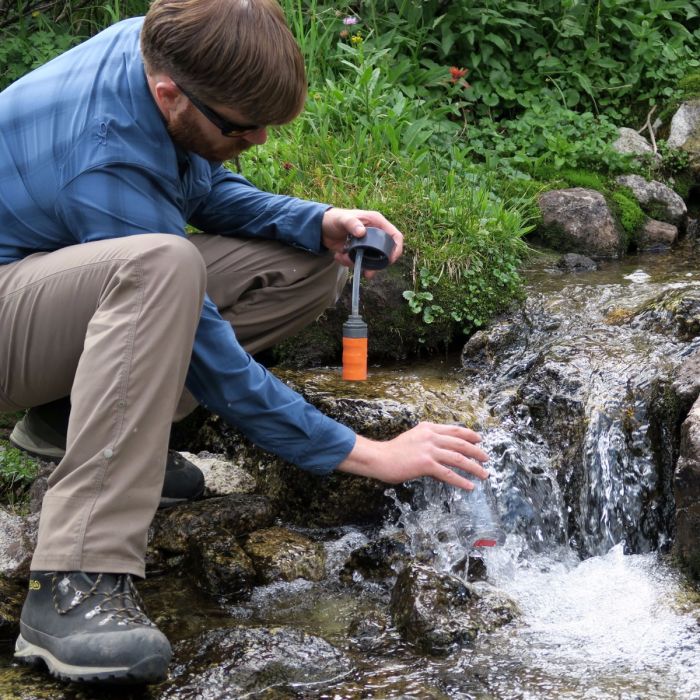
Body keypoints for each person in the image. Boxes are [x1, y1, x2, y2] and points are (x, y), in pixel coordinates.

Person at [0, 0, 489, 685]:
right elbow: (214, 359)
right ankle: (74, 582)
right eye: (244, 127)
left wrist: (315, 220)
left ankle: (66, 423)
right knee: (164, 267)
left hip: (41, 283)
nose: (259, 140)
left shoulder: (157, 52)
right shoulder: (106, 151)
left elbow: (194, 187)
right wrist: (369, 454)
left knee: (303, 262)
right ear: (171, 94)